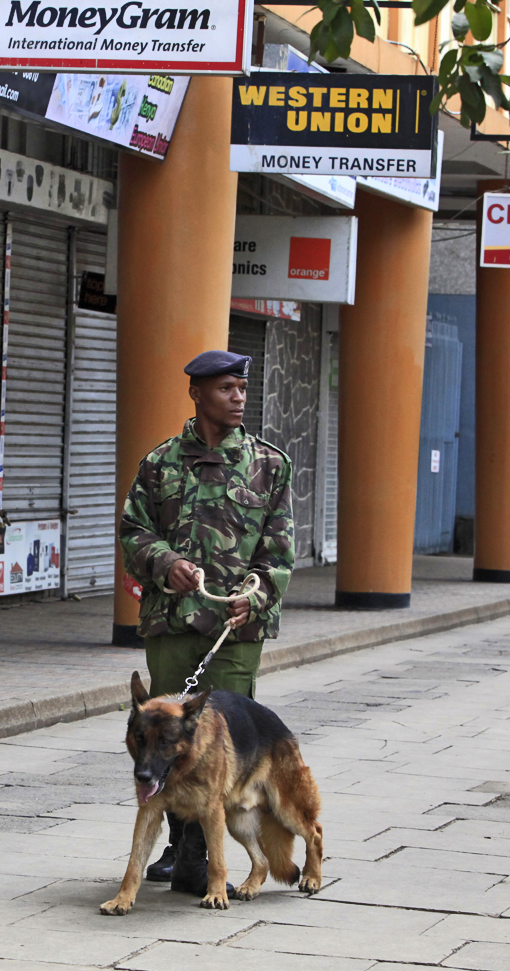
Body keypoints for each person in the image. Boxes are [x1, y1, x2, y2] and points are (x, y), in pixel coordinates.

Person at [119, 348, 294, 896]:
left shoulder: (270, 464)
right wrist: (165, 563)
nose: (238, 397)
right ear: (197, 394)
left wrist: (257, 594)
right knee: (164, 739)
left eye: (242, 388)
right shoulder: (159, 464)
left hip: (233, 631)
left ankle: (202, 850)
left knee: (220, 745)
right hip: (171, 623)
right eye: (225, 389)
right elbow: (133, 534)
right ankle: (180, 842)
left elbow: (280, 550)